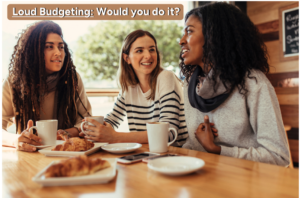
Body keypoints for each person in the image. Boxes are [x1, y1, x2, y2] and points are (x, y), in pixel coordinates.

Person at [179, 3, 290, 166]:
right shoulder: (189, 85)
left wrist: (217, 149)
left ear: (214, 35)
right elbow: (193, 148)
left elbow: (278, 157)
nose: (181, 41)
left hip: (241, 186)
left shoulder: (253, 83)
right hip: (199, 182)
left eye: (189, 31)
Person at [79, 30, 188, 146]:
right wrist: (94, 131)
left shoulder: (166, 77)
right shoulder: (129, 88)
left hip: (176, 155)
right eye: (139, 51)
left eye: (152, 49)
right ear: (127, 58)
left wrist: (115, 137)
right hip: (146, 154)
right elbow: (111, 121)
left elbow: (167, 134)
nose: (148, 56)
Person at [1, 21, 92, 152]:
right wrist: (15, 140)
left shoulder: (72, 79)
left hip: (66, 152)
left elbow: (85, 121)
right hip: (29, 155)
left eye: (61, 47)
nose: (58, 53)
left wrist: (65, 134)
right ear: (33, 51)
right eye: (49, 47)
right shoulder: (14, 81)